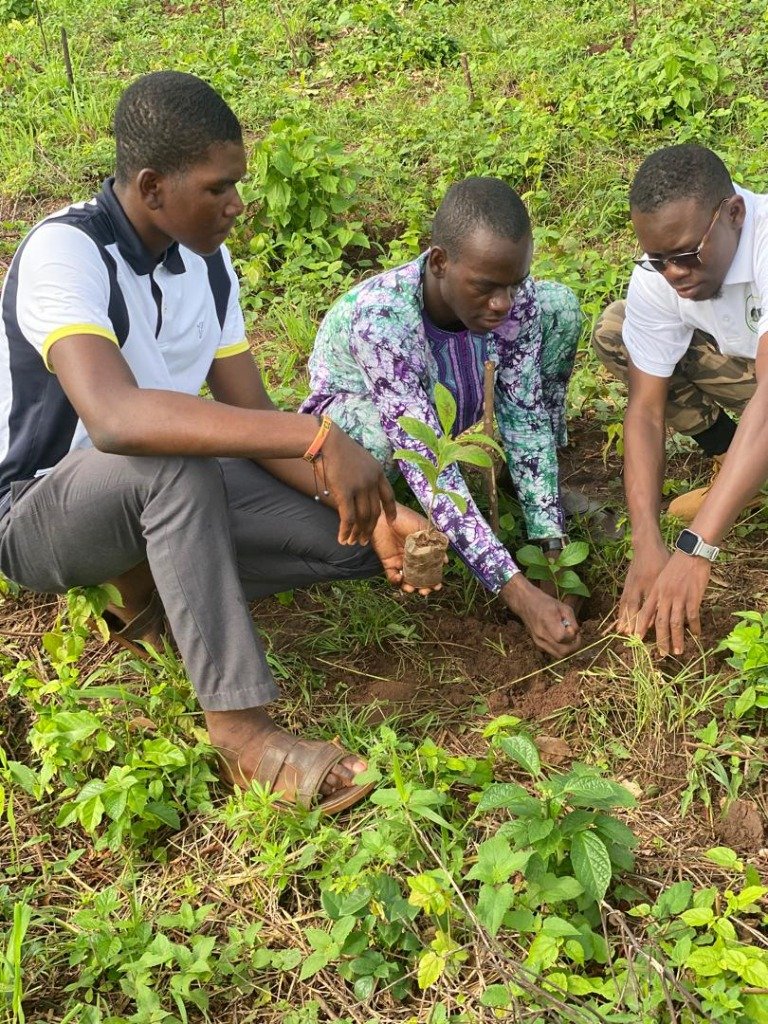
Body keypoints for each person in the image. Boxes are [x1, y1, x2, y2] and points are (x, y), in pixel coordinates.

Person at [0, 70, 436, 814]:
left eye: (238, 182)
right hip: (42, 511)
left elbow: (252, 418)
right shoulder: (66, 253)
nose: (237, 204)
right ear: (150, 185)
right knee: (174, 465)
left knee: (350, 542)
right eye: (217, 187)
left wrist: (377, 511)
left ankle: (152, 591)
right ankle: (241, 734)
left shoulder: (206, 261)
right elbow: (114, 419)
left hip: (161, 490)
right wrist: (317, 434)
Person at [301, 177, 584, 658]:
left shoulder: (515, 298)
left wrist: (550, 548)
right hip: (367, 424)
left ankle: (527, 489)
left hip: (450, 396)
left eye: (514, 284)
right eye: (486, 287)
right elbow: (425, 455)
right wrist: (516, 591)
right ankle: (374, 512)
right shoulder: (382, 321)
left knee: (560, 307)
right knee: (371, 435)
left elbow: (522, 410)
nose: (502, 303)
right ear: (439, 262)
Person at [592, 143, 768, 657]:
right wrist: (646, 542)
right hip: (750, 369)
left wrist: (696, 547)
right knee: (618, 329)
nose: (674, 274)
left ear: (734, 213)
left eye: (688, 255)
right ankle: (735, 468)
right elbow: (645, 411)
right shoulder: (664, 273)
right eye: (659, 259)